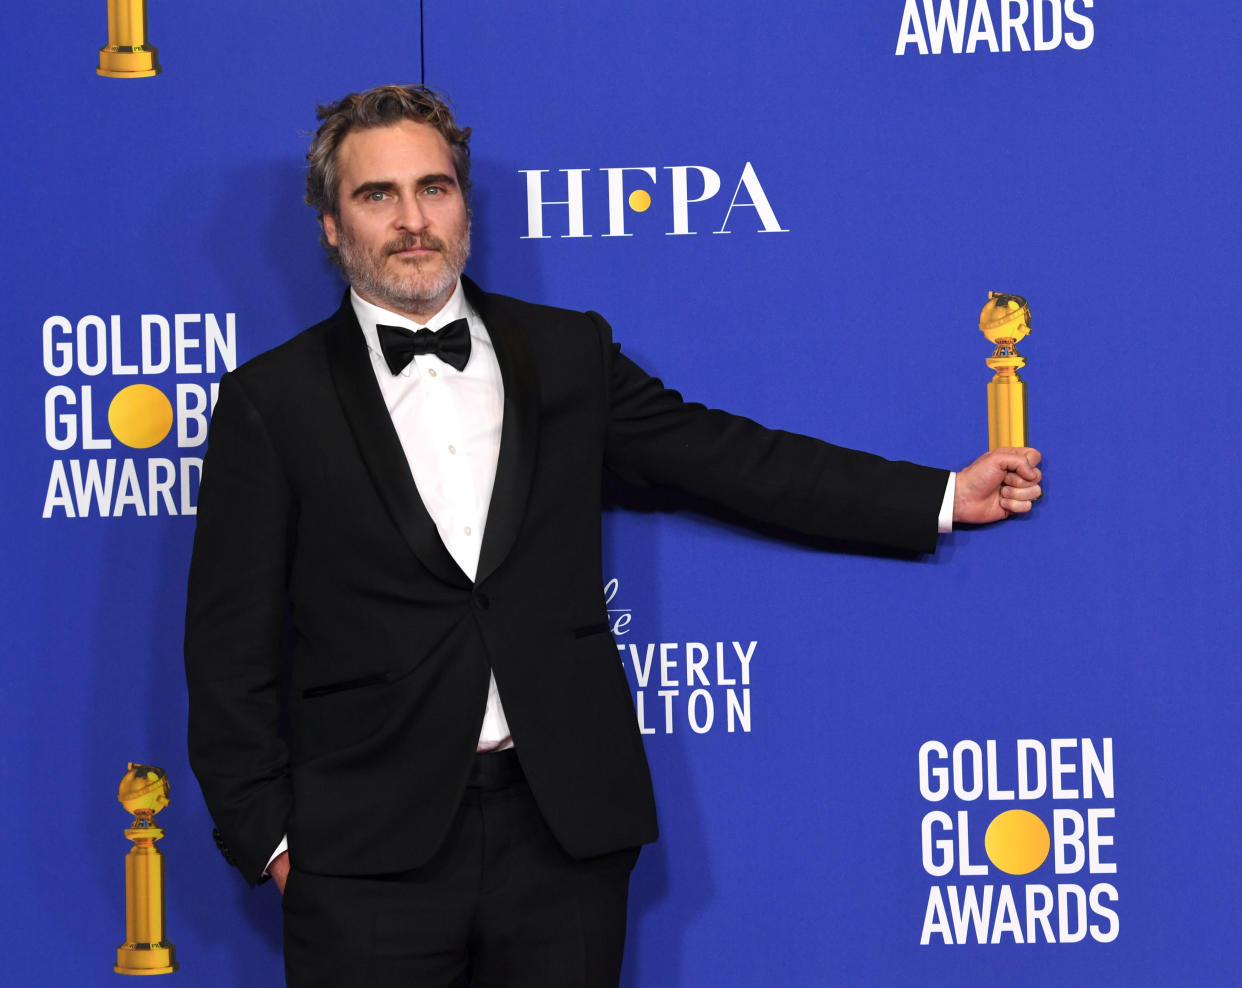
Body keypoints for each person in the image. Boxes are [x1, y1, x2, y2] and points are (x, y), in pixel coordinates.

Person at [184, 84, 1042, 987]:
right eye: (377, 195)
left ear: (464, 204)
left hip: (563, 837)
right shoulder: (269, 404)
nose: (412, 220)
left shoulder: (565, 354)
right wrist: (274, 842)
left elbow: (725, 457)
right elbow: (227, 649)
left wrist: (937, 495)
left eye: (433, 188)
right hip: (361, 857)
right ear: (330, 224)